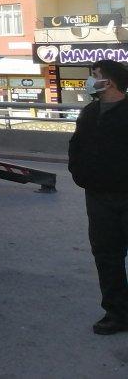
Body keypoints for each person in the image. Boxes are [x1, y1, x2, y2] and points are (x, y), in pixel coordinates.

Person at [69, 59, 128, 334]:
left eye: (94, 75)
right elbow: (76, 146)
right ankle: (116, 314)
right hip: (98, 197)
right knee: (106, 256)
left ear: (110, 82)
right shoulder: (90, 112)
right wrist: (80, 174)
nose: (90, 81)